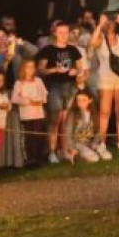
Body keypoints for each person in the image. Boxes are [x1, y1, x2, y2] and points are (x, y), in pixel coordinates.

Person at [36, 22, 84, 164]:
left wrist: (76, 71)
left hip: (70, 86)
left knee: (65, 121)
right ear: (55, 33)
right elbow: (41, 69)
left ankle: (64, 150)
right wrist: (54, 70)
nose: (63, 35)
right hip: (54, 86)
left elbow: (80, 67)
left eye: (66, 32)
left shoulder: (73, 50)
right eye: (60, 32)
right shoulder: (48, 50)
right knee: (54, 120)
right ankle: (52, 151)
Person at [90, 12, 119, 155]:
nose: (111, 24)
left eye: (112, 22)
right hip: (105, 78)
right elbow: (92, 42)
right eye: (108, 23)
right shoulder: (100, 39)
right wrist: (99, 25)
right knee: (105, 111)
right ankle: (102, 141)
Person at [64, 90, 110, 163]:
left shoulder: (93, 113)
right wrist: (72, 148)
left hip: (90, 143)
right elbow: (68, 133)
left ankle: (95, 152)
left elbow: (97, 132)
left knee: (107, 157)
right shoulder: (73, 114)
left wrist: (94, 144)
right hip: (78, 144)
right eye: (78, 100)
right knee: (94, 159)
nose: (81, 103)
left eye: (84, 100)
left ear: (90, 100)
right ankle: (76, 156)